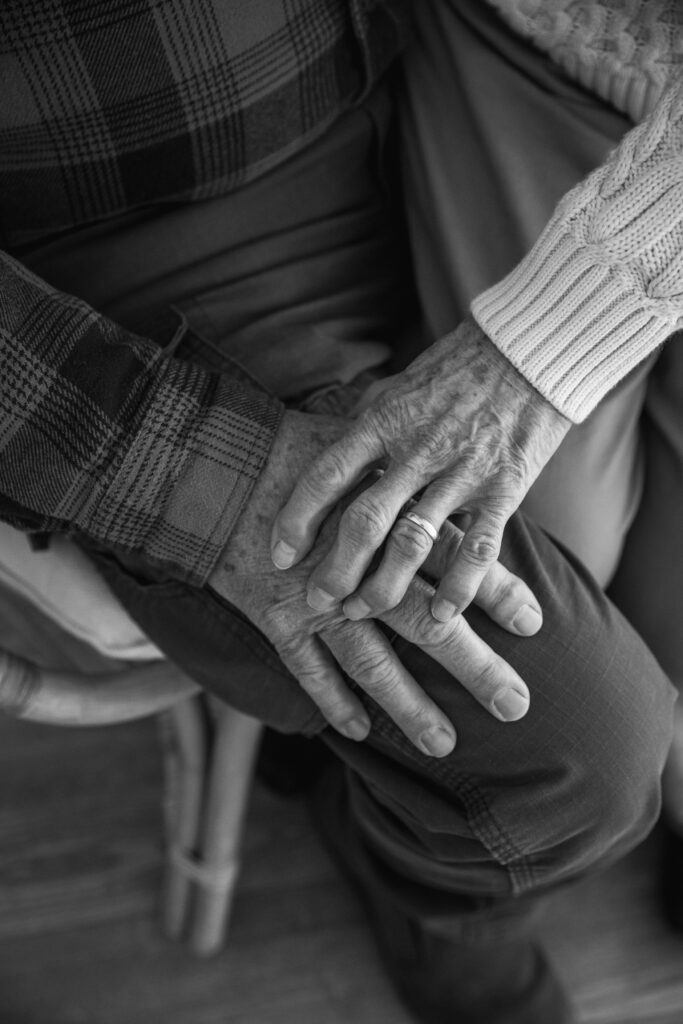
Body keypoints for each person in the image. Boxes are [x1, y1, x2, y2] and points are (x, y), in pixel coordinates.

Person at [0, 3, 676, 1022]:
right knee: (577, 738)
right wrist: (199, 476)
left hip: (456, 52)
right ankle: (440, 911)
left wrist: (531, 355)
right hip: (133, 218)